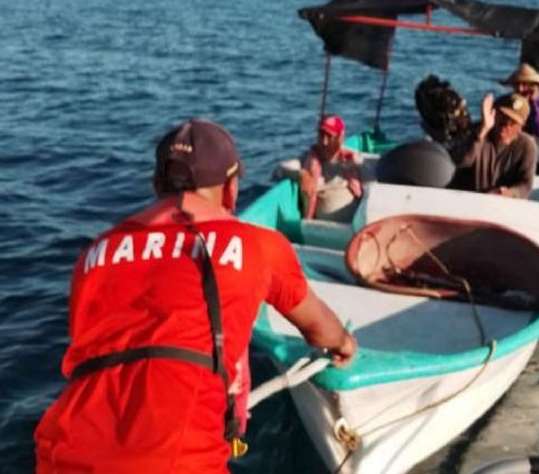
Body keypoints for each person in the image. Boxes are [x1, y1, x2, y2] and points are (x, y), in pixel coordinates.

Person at [34, 118, 357, 474]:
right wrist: (343, 343)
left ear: (156, 184)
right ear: (232, 189)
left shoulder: (92, 256)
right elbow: (321, 330)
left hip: (62, 454)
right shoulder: (259, 247)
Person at [450, 92, 538, 198]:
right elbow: (461, 161)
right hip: (468, 201)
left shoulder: (527, 145)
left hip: (504, 206)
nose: (506, 124)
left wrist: (508, 193)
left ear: (521, 125)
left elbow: (525, 185)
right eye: (503, 117)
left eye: (513, 122)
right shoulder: (476, 132)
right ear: (494, 114)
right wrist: (482, 131)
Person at [299, 114, 363, 221]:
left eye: (329, 136)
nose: (324, 142)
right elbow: (280, 171)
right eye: (321, 135)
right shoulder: (310, 160)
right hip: (317, 228)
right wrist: (302, 173)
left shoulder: (351, 160)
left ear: (340, 137)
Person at [500, 63, 539, 141]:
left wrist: (533, 102)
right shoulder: (505, 102)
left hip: (527, 147)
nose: (520, 89)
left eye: (524, 84)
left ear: (533, 86)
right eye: (517, 84)